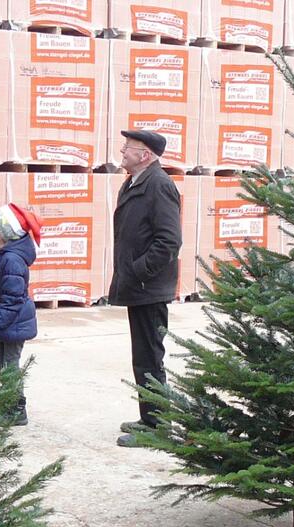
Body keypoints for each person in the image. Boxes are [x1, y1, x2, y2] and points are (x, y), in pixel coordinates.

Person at [109, 129, 182, 448]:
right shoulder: (135, 182)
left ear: (146, 155)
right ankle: (148, 415)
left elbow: (169, 241)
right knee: (143, 355)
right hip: (138, 286)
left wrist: (138, 271)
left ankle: (158, 426)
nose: (123, 151)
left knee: (151, 355)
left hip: (149, 287)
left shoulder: (160, 185)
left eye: (129, 148)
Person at [0, 203, 42, 426]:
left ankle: (16, 409)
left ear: (7, 233)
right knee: (1, 361)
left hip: (13, 321)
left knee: (9, 364)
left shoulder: (11, 260)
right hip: (8, 320)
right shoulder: (2, 255)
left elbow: (14, 296)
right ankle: (7, 401)